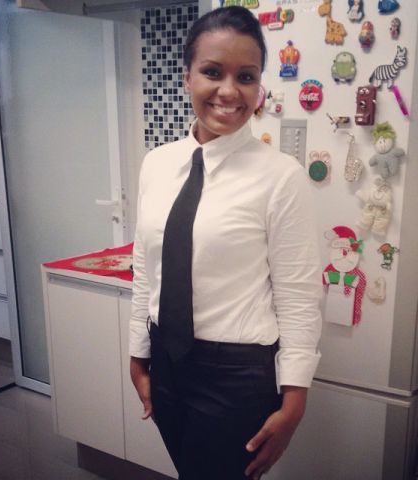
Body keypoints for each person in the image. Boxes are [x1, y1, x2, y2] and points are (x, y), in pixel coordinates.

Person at [129, 6, 322, 480]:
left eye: (246, 76)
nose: (230, 91)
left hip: (235, 377)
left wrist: (295, 399)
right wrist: (138, 353)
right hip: (166, 361)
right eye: (213, 72)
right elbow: (146, 267)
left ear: (260, 87)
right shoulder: (157, 163)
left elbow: (299, 297)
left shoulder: (282, 177)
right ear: (187, 76)